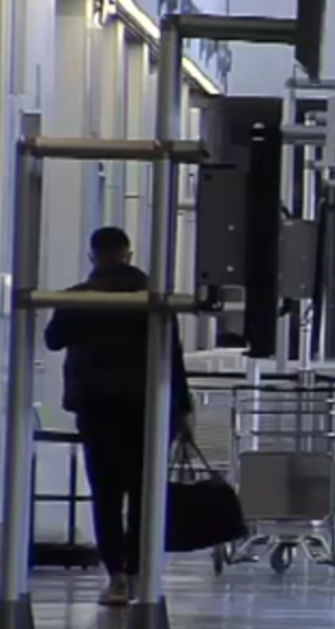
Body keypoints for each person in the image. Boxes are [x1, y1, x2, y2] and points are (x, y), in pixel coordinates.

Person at [44, 227, 194, 607]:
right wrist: (183, 408)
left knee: (106, 495)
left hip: (96, 409)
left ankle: (116, 578)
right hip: (147, 408)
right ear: (128, 254)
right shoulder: (153, 298)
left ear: (94, 256)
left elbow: (53, 339)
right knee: (145, 494)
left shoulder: (77, 298)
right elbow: (171, 357)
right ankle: (142, 572)